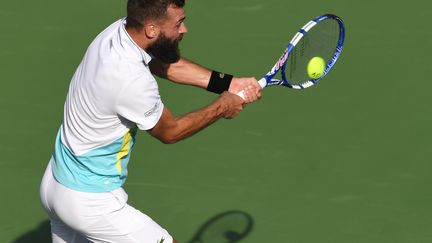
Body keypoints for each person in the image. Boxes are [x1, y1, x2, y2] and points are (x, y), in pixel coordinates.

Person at [39, 0, 261, 242]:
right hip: (90, 202)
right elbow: (170, 131)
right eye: (178, 24)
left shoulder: (119, 32)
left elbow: (159, 62)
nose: (184, 30)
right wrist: (223, 106)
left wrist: (228, 84)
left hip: (55, 183)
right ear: (152, 29)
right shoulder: (131, 80)